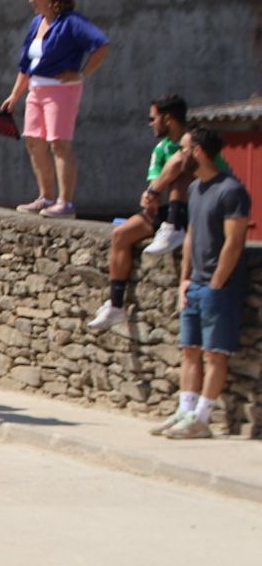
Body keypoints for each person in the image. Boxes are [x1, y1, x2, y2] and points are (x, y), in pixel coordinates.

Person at [87, 94, 219, 329]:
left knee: (183, 170)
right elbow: (157, 179)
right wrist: (151, 196)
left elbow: (182, 168)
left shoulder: (196, 140)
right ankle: (115, 306)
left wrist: (153, 191)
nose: (150, 124)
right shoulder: (161, 149)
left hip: (203, 206)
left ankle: (174, 228)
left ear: (167, 119)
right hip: (171, 207)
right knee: (121, 235)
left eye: (152, 118)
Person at [153, 126, 251, 440]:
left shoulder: (231, 191)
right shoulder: (195, 189)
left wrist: (216, 283)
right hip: (194, 284)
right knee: (189, 350)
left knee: (214, 354)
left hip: (217, 287)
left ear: (198, 151)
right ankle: (185, 409)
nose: (179, 156)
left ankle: (202, 418)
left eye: (182, 150)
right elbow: (192, 235)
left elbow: (234, 242)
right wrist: (184, 279)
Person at [0, 0, 111, 219]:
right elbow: (26, 63)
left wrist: (82, 74)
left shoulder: (71, 21)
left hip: (61, 90)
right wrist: (14, 95)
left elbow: (102, 44)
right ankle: (45, 197)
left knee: (59, 143)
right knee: (34, 141)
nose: (32, 0)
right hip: (36, 89)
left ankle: (65, 202)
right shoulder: (36, 23)